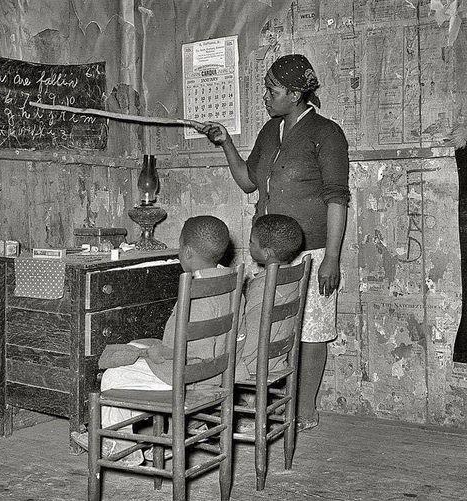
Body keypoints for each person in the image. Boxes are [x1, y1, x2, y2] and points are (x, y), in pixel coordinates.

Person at [195, 54, 350, 431]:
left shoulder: (326, 134)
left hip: (309, 253)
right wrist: (225, 142)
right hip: (264, 253)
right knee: (260, 327)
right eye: (267, 89)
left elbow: (337, 198)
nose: (266, 96)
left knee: (311, 331)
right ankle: (261, 404)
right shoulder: (270, 130)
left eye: (273, 90)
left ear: (296, 94)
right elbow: (248, 181)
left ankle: (305, 409)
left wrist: (331, 258)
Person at [71, 215, 234, 466]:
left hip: (188, 377)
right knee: (137, 348)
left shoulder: (193, 290)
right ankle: (160, 435)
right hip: (216, 373)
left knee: (115, 376)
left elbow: (184, 354)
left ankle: (121, 446)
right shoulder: (231, 282)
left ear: (187, 251)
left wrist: (154, 353)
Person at [236, 213, 304, 380]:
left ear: (266, 253)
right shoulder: (292, 277)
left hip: (252, 364)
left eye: (252, 242)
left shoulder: (263, 285)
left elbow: (249, 335)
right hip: (276, 361)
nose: (249, 245)